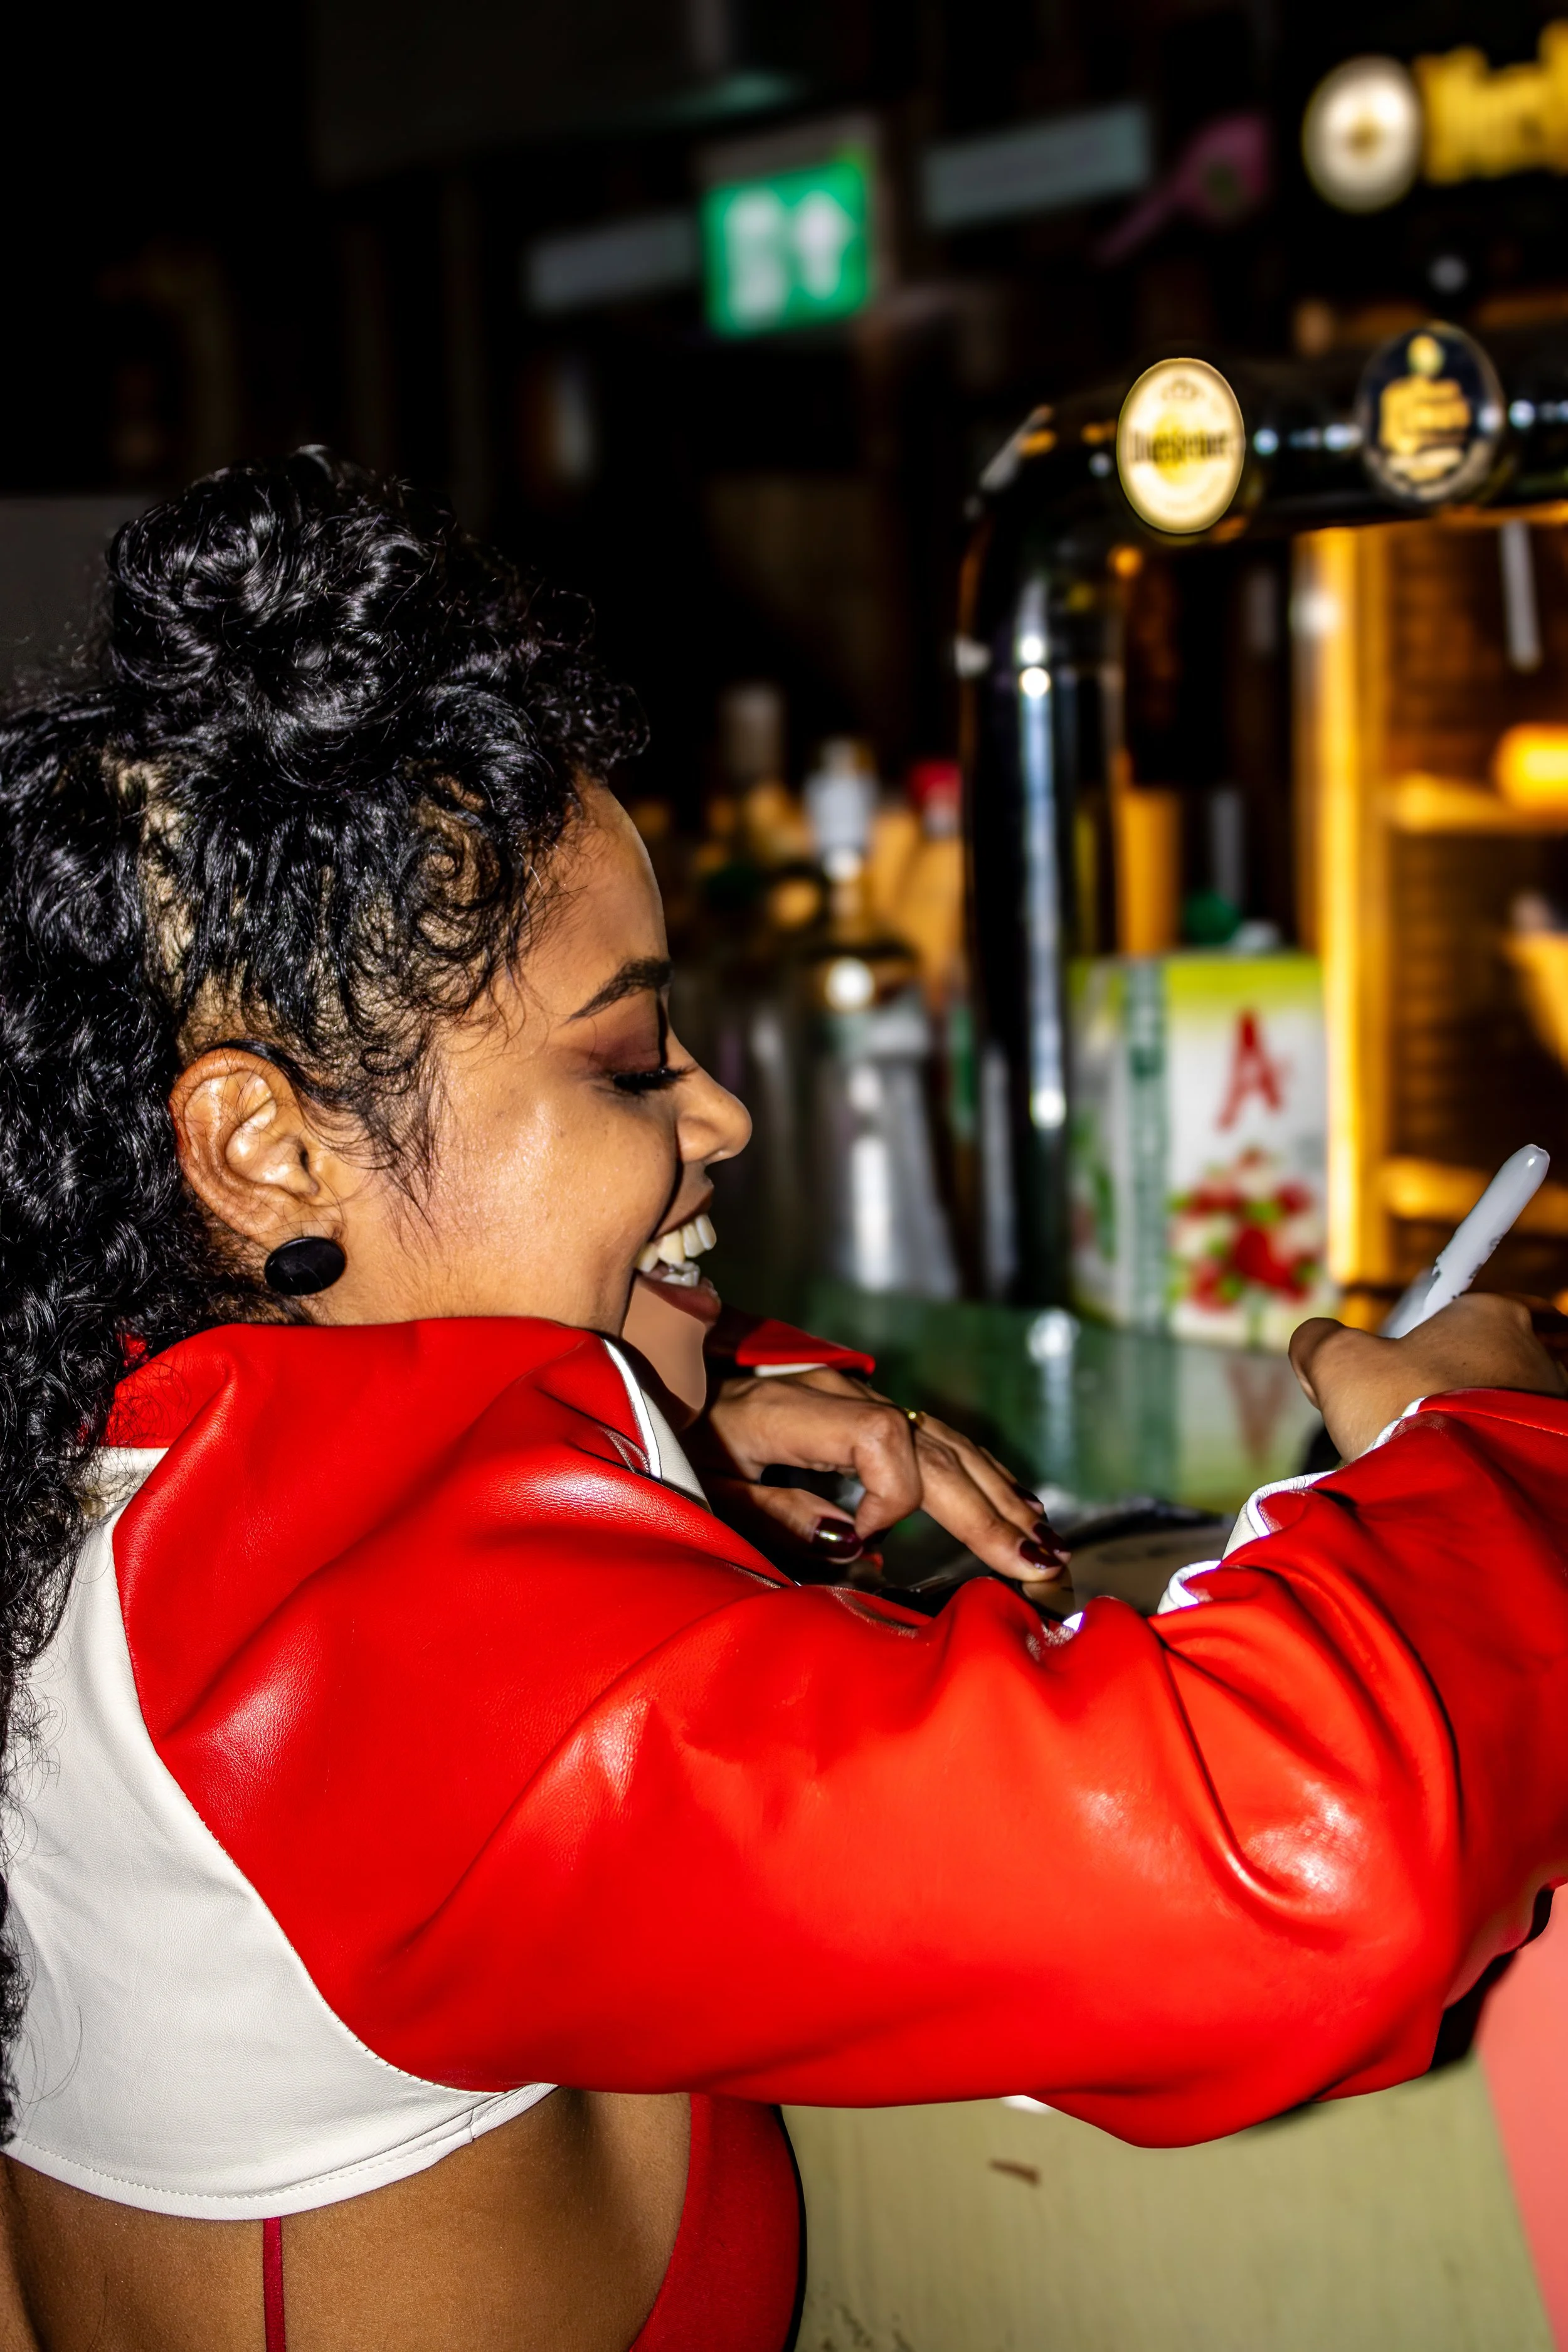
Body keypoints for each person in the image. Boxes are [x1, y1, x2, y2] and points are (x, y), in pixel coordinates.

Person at [0, 452, 1564, 2352]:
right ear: (262, 1147)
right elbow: (1306, 1860)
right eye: (630, 1062)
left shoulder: (132, 1489)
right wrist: (1475, 1438)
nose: (716, 1115)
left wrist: (674, 1430)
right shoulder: (393, 1627)